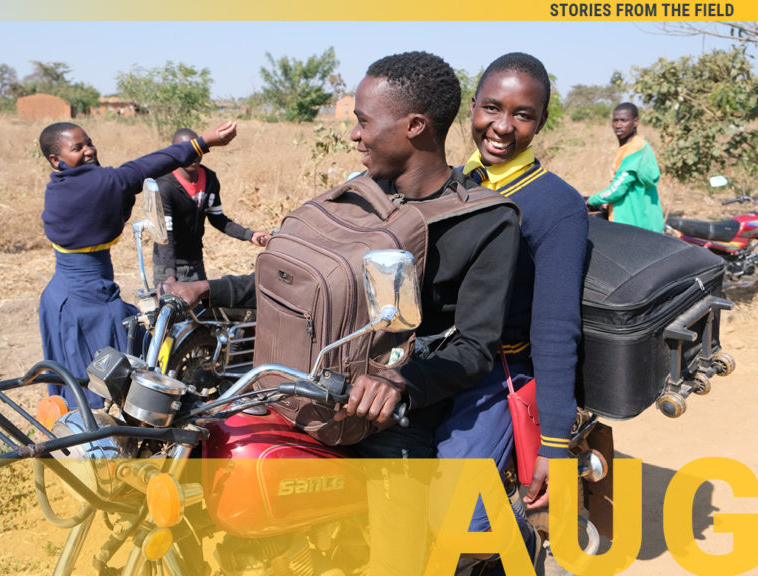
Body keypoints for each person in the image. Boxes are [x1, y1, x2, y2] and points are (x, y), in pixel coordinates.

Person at [164, 51, 522, 575]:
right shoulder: (358, 193)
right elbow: (306, 281)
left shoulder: (484, 221)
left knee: (399, 561)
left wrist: (400, 383)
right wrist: (210, 289)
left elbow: (474, 347)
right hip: (302, 386)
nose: (354, 134)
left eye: (362, 120)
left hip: (390, 416)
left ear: (415, 125)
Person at [434, 52, 588, 574]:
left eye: (523, 115)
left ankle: (515, 539)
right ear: (471, 108)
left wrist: (556, 444)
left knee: (460, 512)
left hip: (500, 373)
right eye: (492, 108)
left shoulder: (556, 205)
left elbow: (555, 327)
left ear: (540, 123)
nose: (502, 126)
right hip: (439, 362)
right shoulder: (452, 183)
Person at [38, 120, 237, 408]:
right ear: (56, 159)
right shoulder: (101, 182)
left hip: (58, 298)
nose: (89, 151)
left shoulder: (58, 186)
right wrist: (201, 143)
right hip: (89, 303)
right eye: (77, 148)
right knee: (112, 383)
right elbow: (144, 167)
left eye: (89, 142)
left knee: (72, 383)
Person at [153, 128, 270, 285]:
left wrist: (250, 235)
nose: (193, 155)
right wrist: (170, 275)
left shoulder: (209, 179)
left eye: (197, 149)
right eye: (186, 150)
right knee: (172, 308)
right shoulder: (165, 186)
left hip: (195, 262)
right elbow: (165, 235)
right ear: (175, 153)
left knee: (201, 308)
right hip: (167, 267)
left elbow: (218, 219)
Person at [585, 102, 664, 232]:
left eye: (623, 120)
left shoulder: (635, 150)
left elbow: (617, 189)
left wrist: (591, 201)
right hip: (644, 221)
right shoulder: (632, 147)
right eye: (615, 121)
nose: (618, 125)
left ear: (636, 122)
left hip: (634, 224)